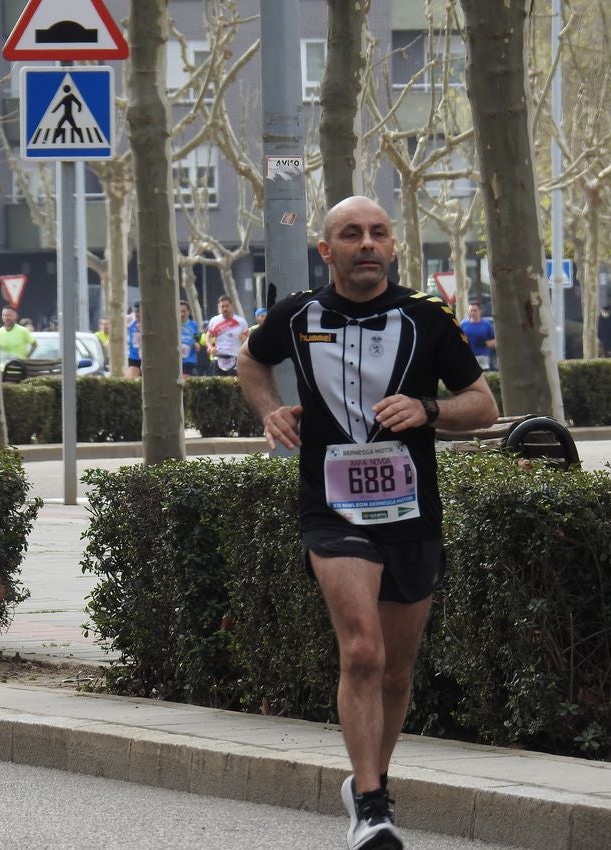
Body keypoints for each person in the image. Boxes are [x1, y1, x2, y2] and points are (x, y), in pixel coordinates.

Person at [237, 196, 498, 850]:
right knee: (361, 649)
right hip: (330, 508)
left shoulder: (426, 317)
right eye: (350, 235)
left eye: (377, 233)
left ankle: (367, 784)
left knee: (394, 673)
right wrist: (269, 409)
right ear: (326, 251)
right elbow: (250, 359)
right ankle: (373, 806)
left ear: (392, 246)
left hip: (410, 512)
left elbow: (483, 405)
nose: (366, 244)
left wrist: (428, 410)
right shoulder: (297, 314)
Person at [206, 295, 248, 376]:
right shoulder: (214, 321)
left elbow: (248, 339)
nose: (225, 309)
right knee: (217, 385)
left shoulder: (241, 322)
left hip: (235, 357)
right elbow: (208, 336)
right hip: (218, 357)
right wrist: (210, 347)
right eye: (222, 306)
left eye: (227, 306)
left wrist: (244, 339)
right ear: (219, 307)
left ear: (231, 306)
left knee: (234, 385)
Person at [459, 301, 496, 370]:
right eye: (471, 311)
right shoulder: (463, 324)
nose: (473, 313)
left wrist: (486, 343)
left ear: (480, 311)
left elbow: (495, 340)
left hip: (483, 357)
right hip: (468, 357)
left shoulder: (486, 324)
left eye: (475, 310)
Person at [180, 301, 200, 378]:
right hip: (175, 360)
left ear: (189, 312)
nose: (182, 314)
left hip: (189, 360)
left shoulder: (193, 325)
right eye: (179, 311)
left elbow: (197, 341)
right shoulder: (173, 325)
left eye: (184, 311)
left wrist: (196, 345)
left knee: (184, 381)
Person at [125, 302, 142, 377]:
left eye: (139, 312)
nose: (137, 314)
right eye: (136, 311)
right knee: (131, 379)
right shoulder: (131, 320)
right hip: (134, 357)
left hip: (149, 358)